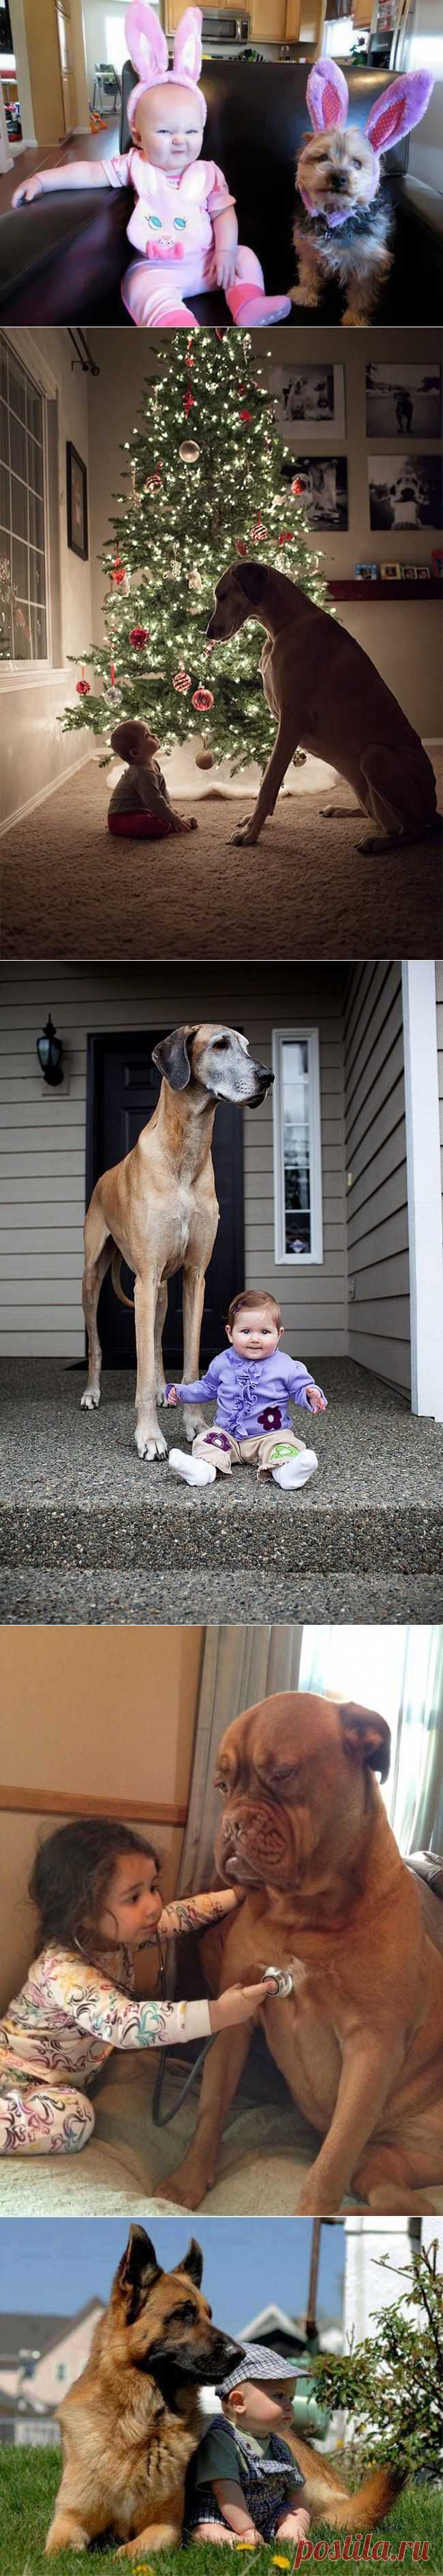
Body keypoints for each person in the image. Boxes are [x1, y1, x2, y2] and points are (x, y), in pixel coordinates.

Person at [0, 1819, 276, 2155]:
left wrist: (235, 1896)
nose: (154, 1905)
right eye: (134, 1897)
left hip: (47, 2085)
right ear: (83, 1913)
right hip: (14, 2077)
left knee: (71, 2109)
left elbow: (182, 1915)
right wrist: (217, 2013)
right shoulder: (64, 1970)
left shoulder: (123, 1938)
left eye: (153, 1888)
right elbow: (125, 2023)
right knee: (76, 2119)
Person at [12, 6, 291, 331]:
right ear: (138, 135)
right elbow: (89, 172)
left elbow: (223, 214)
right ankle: (175, 323)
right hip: (157, 267)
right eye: (164, 132)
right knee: (140, 284)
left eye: (191, 132)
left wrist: (226, 252)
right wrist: (43, 180)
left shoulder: (209, 173)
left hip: (210, 262)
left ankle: (247, 303)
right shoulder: (135, 165)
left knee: (246, 256)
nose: (179, 141)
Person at [167, 1287, 327, 1488]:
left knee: (284, 1446)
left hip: (270, 1434)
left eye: (265, 1332)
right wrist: (181, 1392)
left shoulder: (286, 1365)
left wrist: (310, 1394)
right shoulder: (223, 1362)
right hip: (228, 1434)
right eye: (245, 1331)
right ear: (230, 1333)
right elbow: (207, 1387)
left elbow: (300, 1386)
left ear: (279, 1334)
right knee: (207, 1441)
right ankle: (202, 1470)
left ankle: (287, 1472)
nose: (255, 1339)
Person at [183, 2341, 311, 2549]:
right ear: (238, 2402)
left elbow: (296, 2494)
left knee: (297, 2512)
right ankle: (234, 2540)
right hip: (223, 2515)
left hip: (269, 2513)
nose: (289, 2405)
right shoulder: (222, 2439)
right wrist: (246, 2529)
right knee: (204, 2530)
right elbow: (226, 2490)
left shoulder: (280, 2447)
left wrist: (296, 2519)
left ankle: (291, 2535)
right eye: (279, 2396)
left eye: (291, 2397)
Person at [107, 720, 196, 839]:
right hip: (121, 819)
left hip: (141, 811)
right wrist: (174, 819)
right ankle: (174, 825)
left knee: (161, 814)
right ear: (135, 752)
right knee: (154, 825)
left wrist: (170, 810)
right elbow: (154, 800)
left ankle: (169, 819)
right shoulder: (142, 773)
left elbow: (162, 790)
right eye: (147, 736)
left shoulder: (153, 763)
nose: (154, 736)